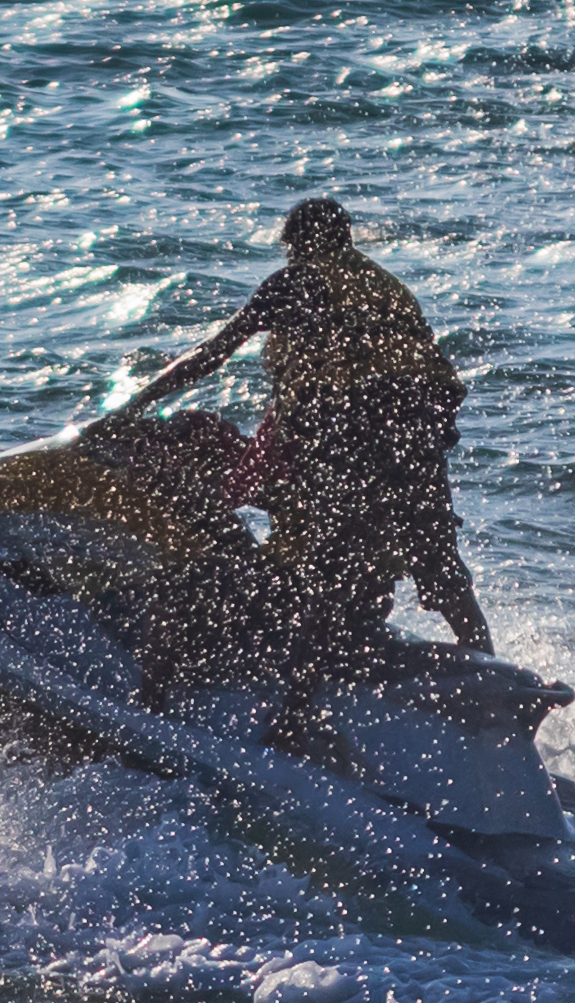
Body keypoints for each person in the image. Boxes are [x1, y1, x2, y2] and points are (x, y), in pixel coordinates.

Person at [118, 198, 492, 698]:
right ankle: (494, 679)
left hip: (352, 447)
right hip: (415, 446)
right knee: (442, 572)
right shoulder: (386, 287)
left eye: (292, 247)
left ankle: (295, 714)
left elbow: (212, 354)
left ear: (299, 245)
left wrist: (135, 404)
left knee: (326, 572)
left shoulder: (297, 281)